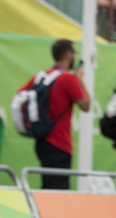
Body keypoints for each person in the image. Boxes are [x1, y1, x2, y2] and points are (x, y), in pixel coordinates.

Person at [18, 39, 90, 189]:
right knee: (58, 191)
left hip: (42, 139)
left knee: (48, 186)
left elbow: (20, 96)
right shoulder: (69, 79)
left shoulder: (41, 77)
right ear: (67, 54)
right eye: (73, 53)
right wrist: (80, 80)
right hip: (60, 143)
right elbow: (86, 105)